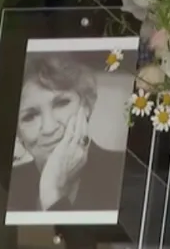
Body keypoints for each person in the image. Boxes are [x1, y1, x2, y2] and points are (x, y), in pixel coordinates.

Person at [7, 54, 125, 213]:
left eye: (61, 103)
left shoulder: (125, 172)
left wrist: (52, 192)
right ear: (19, 134)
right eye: (30, 116)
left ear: (86, 105)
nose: (49, 128)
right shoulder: (7, 185)